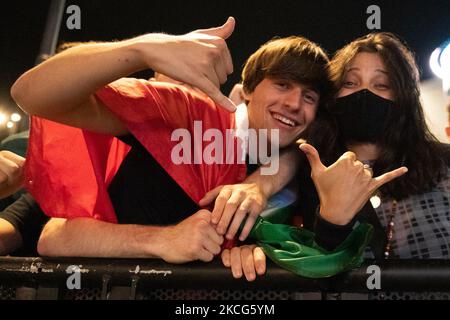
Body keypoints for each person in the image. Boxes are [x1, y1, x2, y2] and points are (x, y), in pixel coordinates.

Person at [11, 18, 332, 263]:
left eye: (309, 96)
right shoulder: (182, 112)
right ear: (247, 90)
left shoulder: (300, 169)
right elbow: (30, 94)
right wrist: (143, 49)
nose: (293, 103)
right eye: (282, 85)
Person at [225, 32, 448, 280]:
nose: (364, 94)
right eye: (350, 83)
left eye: (381, 85)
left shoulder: (442, 165)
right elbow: (303, 257)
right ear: (332, 98)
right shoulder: (310, 174)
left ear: (404, 95)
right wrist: (257, 252)